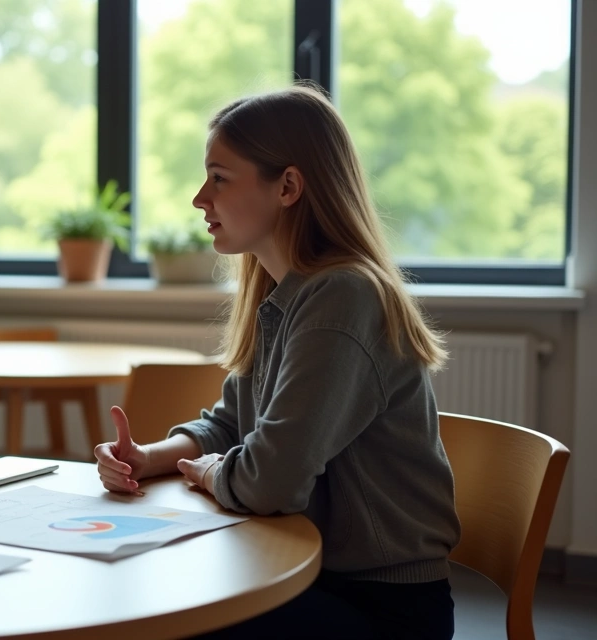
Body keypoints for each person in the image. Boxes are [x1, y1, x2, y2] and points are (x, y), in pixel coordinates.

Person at [95, 85, 460, 640]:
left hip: (383, 606)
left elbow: (271, 482)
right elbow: (229, 425)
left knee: (160, 619)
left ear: (287, 186)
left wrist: (216, 473)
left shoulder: (344, 297)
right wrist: (151, 457)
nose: (199, 198)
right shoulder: (281, 293)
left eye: (219, 177)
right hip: (306, 574)